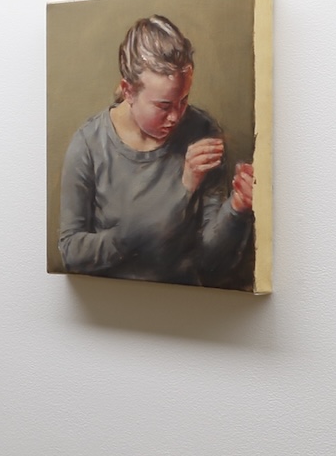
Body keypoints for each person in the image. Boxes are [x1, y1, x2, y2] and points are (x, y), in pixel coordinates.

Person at [57, 14, 254, 285]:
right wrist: (182, 191)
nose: (176, 116)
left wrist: (237, 209)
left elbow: (211, 262)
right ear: (128, 91)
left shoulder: (201, 131)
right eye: (163, 106)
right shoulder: (89, 144)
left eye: (183, 100)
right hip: (109, 298)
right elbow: (71, 253)